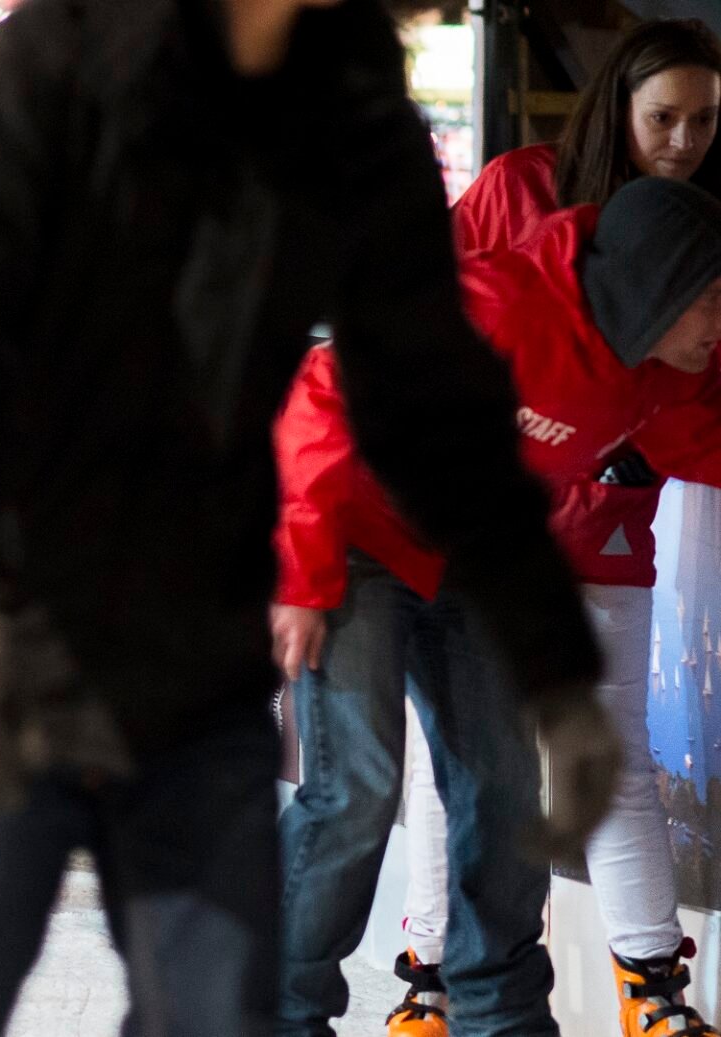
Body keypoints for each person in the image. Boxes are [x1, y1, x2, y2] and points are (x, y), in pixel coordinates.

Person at [0, 1, 618, 1034]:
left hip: (190, 669)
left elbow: (433, 413)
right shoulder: (43, 69)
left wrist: (550, 658)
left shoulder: (354, 118)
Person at [276, 176, 721, 1037]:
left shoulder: (659, 371)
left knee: (506, 790)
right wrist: (299, 570)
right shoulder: (496, 303)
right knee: (358, 783)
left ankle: (501, 1015)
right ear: (657, 284)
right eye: (712, 300)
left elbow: (704, 439)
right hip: (355, 543)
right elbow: (325, 389)